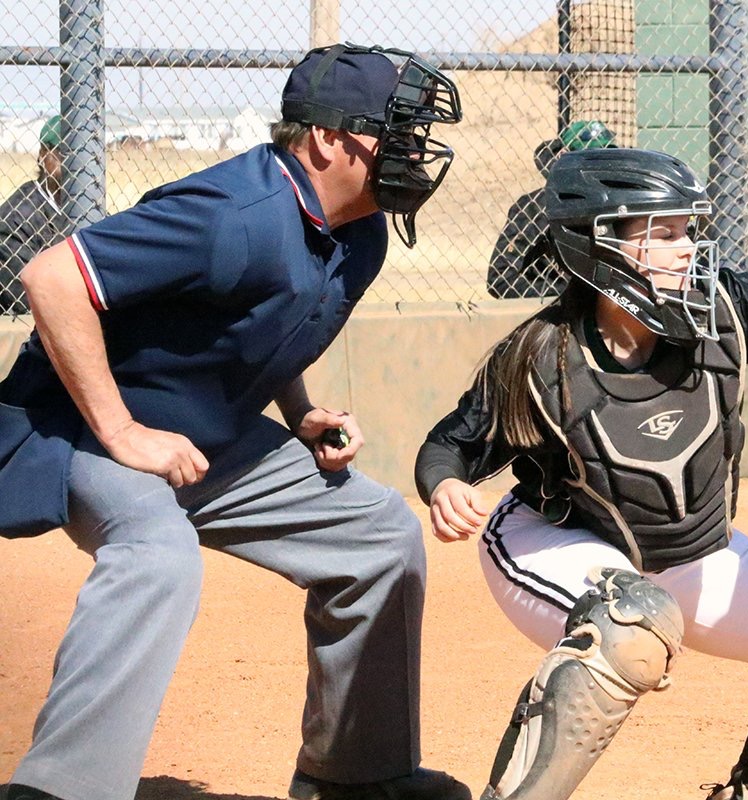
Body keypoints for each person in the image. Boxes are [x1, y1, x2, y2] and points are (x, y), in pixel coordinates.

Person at [0, 44, 468, 800]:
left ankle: (357, 776)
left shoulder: (362, 232)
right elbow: (51, 279)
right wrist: (123, 432)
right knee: (158, 556)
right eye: (396, 132)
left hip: (212, 441)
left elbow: (271, 322)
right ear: (325, 139)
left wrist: (302, 411)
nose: (415, 152)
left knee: (379, 534)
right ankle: (62, 790)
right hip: (84, 429)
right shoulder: (230, 214)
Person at [415, 148, 748, 800]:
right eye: (663, 233)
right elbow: (455, 444)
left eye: (688, 230)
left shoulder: (720, 311)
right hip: (553, 540)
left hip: (682, 554)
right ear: (599, 246)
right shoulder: (542, 357)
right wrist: (447, 486)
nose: (685, 249)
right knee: (631, 623)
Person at [486, 120, 618, 298]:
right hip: (555, 303)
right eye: (588, 158)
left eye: (604, 159)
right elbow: (500, 279)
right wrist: (565, 296)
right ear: (563, 157)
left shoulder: (618, 205)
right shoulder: (534, 207)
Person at [0, 115, 74, 315]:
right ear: (43, 155)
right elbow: (27, 299)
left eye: (77, 155)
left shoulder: (87, 205)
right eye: (62, 152)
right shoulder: (13, 219)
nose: (70, 161)